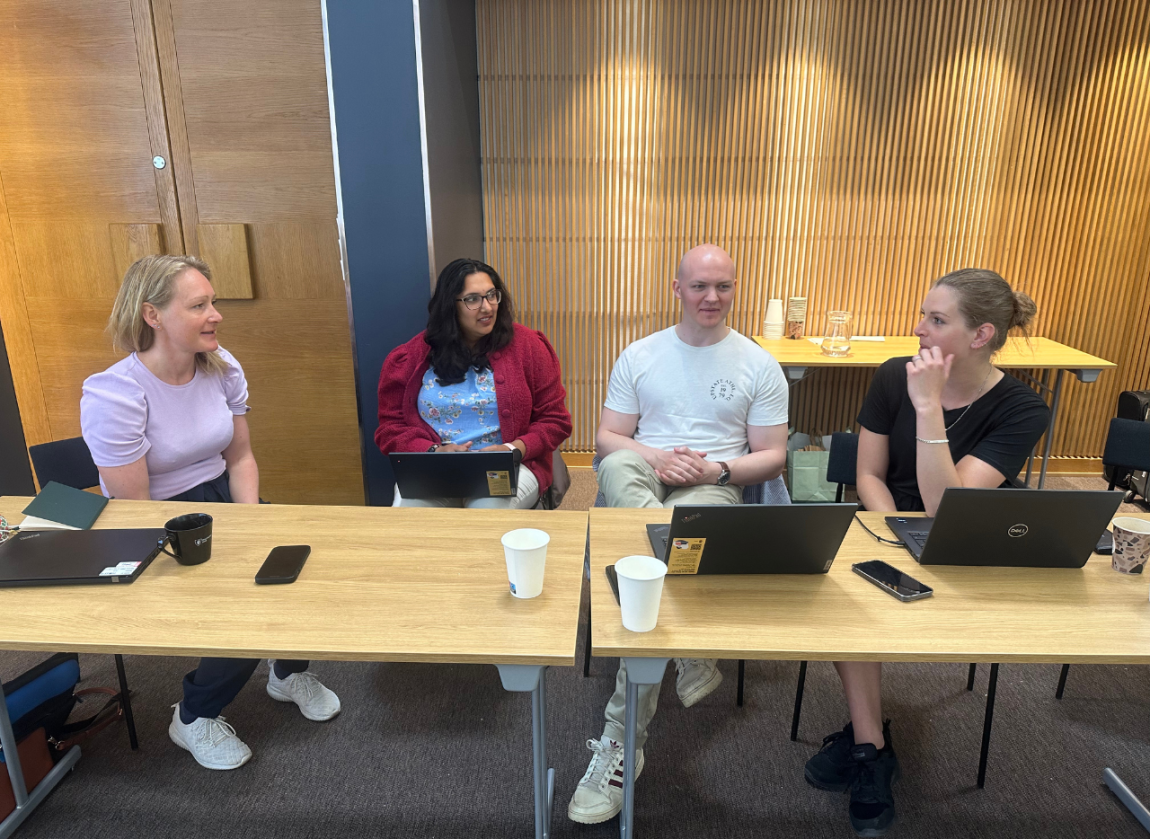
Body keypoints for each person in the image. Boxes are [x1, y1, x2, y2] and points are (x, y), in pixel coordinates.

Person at [805, 268, 1050, 837]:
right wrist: (890, 529)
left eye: (937, 321)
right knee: (844, 604)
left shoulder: (1022, 408)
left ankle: (866, 747)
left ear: (981, 335)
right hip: (883, 521)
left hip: (962, 540)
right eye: (924, 315)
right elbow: (867, 473)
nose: (919, 329)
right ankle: (871, 748)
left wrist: (928, 407)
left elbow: (948, 511)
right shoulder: (894, 375)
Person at [80, 254, 340, 771]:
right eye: (199, 305)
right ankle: (194, 716)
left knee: (294, 569)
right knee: (243, 608)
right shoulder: (117, 392)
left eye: (212, 301)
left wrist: (252, 522)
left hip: (223, 495)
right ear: (153, 315)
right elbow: (135, 506)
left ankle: (286, 674)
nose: (216, 314)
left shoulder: (221, 366)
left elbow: (240, 457)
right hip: (161, 516)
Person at [567, 244, 789, 825]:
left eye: (723, 286)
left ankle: (619, 741)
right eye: (699, 287)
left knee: (654, 574)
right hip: (646, 470)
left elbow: (771, 456)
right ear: (677, 289)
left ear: (734, 289)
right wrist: (661, 458)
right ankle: (690, 646)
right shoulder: (641, 355)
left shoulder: (758, 364)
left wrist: (714, 469)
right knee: (616, 469)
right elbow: (610, 438)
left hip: (713, 486)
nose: (712, 298)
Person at [375, 257, 571, 508]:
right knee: (413, 523)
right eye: (473, 299)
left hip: (509, 466)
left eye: (492, 295)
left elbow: (555, 421)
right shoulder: (408, 358)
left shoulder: (530, 347)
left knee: (484, 518)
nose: (487, 307)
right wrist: (432, 451)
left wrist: (513, 448)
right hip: (435, 466)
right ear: (450, 305)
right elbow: (390, 428)